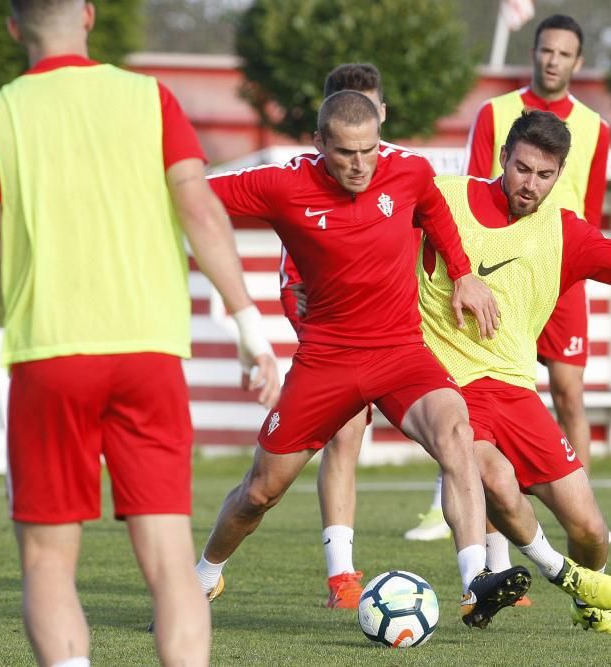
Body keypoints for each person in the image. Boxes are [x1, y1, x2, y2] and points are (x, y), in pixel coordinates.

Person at [0, 2, 280, 665]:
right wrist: (248, 326)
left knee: (47, 560)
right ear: (88, 16)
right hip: (147, 353)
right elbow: (201, 208)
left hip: (51, 358)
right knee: (171, 557)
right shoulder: (150, 98)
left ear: (13, 27)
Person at [198, 90, 531, 630]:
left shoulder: (408, 171)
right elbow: (194, 195)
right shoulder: (282, 183)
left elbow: (434, 209)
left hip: (401, 351)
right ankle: (203, 576)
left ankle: (475, 583)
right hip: (326, 361)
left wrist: (463, 271)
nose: (359, 164)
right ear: (319, 144)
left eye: (369, 150)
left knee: (456, 432)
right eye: (345, 152)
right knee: (259, 493)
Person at [419, 109, 611, 634]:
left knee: (591, 528)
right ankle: (522, 577)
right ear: (503, 158)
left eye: (544, 175)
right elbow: (372, 232)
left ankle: (589, 604)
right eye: (522, 169)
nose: (530, 184)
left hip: (518, 393)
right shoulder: (446, 199)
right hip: (450, 388)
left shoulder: (565, 232)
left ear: (560, 174)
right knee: (495, 480)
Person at [406, 13, 611, 564]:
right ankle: (489, 548)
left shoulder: (596, 128)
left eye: (564, 54)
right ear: (534, 51)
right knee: (481, 410)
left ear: (578, 62)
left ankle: (578, 506)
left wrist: (573, 262)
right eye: (545, 50)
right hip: (491, 271)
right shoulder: (496, 113)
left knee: (569, 393)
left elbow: (590, 213)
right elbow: (475, 199)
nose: (553, 60)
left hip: (555, 270)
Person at [277, 63, 388, 610]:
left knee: (464, 434)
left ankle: (486, 567)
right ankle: (342, 575)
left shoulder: (405, 174)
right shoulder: (301, 184)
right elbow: (290, 280)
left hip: (407, 337)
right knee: (343, 442)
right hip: (338, 342)